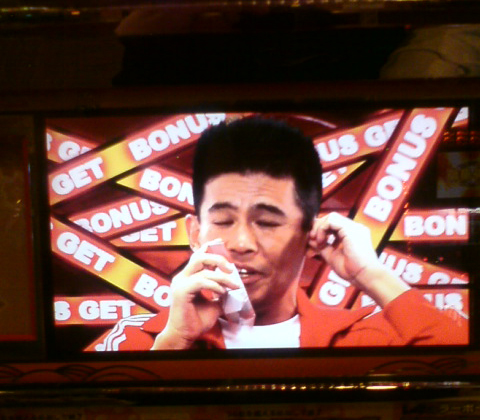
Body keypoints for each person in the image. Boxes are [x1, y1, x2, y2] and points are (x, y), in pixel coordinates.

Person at [98, 116, 467, 352]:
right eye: (223, 221)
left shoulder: (365, 337)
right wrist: (174, 342)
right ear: (194, 234)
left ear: (311, 235)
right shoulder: (137, 338)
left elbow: (460, 370)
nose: (241, 243)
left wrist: (370, 274)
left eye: (267, 223)